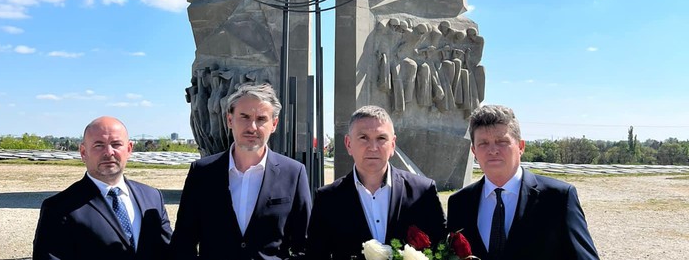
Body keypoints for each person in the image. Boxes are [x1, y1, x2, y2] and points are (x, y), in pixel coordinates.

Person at [168, 82, 311, 259]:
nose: (252, 127)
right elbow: (183, 241)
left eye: (261, 119)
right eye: (244, 117)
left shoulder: (294, 173)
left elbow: (304, 245)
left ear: (274, 124)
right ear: (230, 120)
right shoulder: (202, 173)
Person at [447, 105, 599, 260]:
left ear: (521, 147)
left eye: (502, 141)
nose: (492, 150)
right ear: (474, 151)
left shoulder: (558, 198)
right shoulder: (459, 203)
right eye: (483, 143)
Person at [306, 105, 446, 260]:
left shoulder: (423, 192)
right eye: (363, 138)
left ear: (392, 144)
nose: (373, 147)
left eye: (381, 138)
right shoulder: (327, 199)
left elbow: (443, 250)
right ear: (348, 144)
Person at [33, 116, 172, 260]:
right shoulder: (59, 208)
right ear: (83, 152)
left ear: (129, 149)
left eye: (116, 144)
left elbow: (169, 252)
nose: (109, 152)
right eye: (99, 145)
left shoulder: (152, 198)